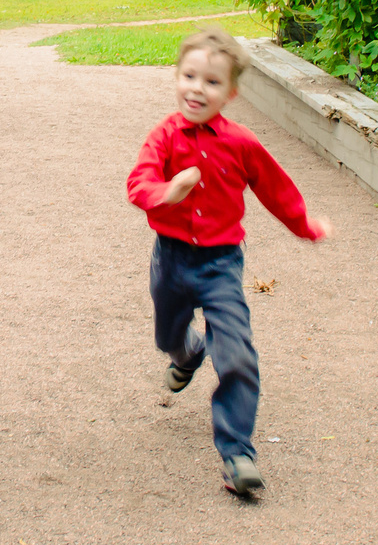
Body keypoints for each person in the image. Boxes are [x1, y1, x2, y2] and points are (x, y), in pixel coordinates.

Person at [125, 28, 331, 498]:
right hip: (172, 259)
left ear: (231, 93)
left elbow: (275, 188)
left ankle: (238, 453)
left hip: (221, 263)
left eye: (212, 82)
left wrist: (305, 225)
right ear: (177, 78)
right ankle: (187, 354)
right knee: (168, 336)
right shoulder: (164, 136)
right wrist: (167, 192)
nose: (197, 88)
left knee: (236, 351)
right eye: (190, 76)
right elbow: (138, 182)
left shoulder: (241, 143)